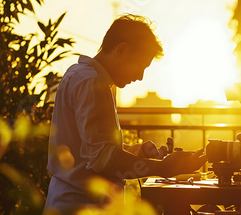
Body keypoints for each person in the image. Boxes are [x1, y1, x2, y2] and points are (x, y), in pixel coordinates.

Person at [43, 14, 207, 214]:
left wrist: (134, 151)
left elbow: (89, 150)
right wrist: (163, 168)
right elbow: (102, 160)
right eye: (140, 66)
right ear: (122, 50)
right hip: (82, 204)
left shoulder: (79, 75)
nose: (140, 76)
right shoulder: (92, 82)